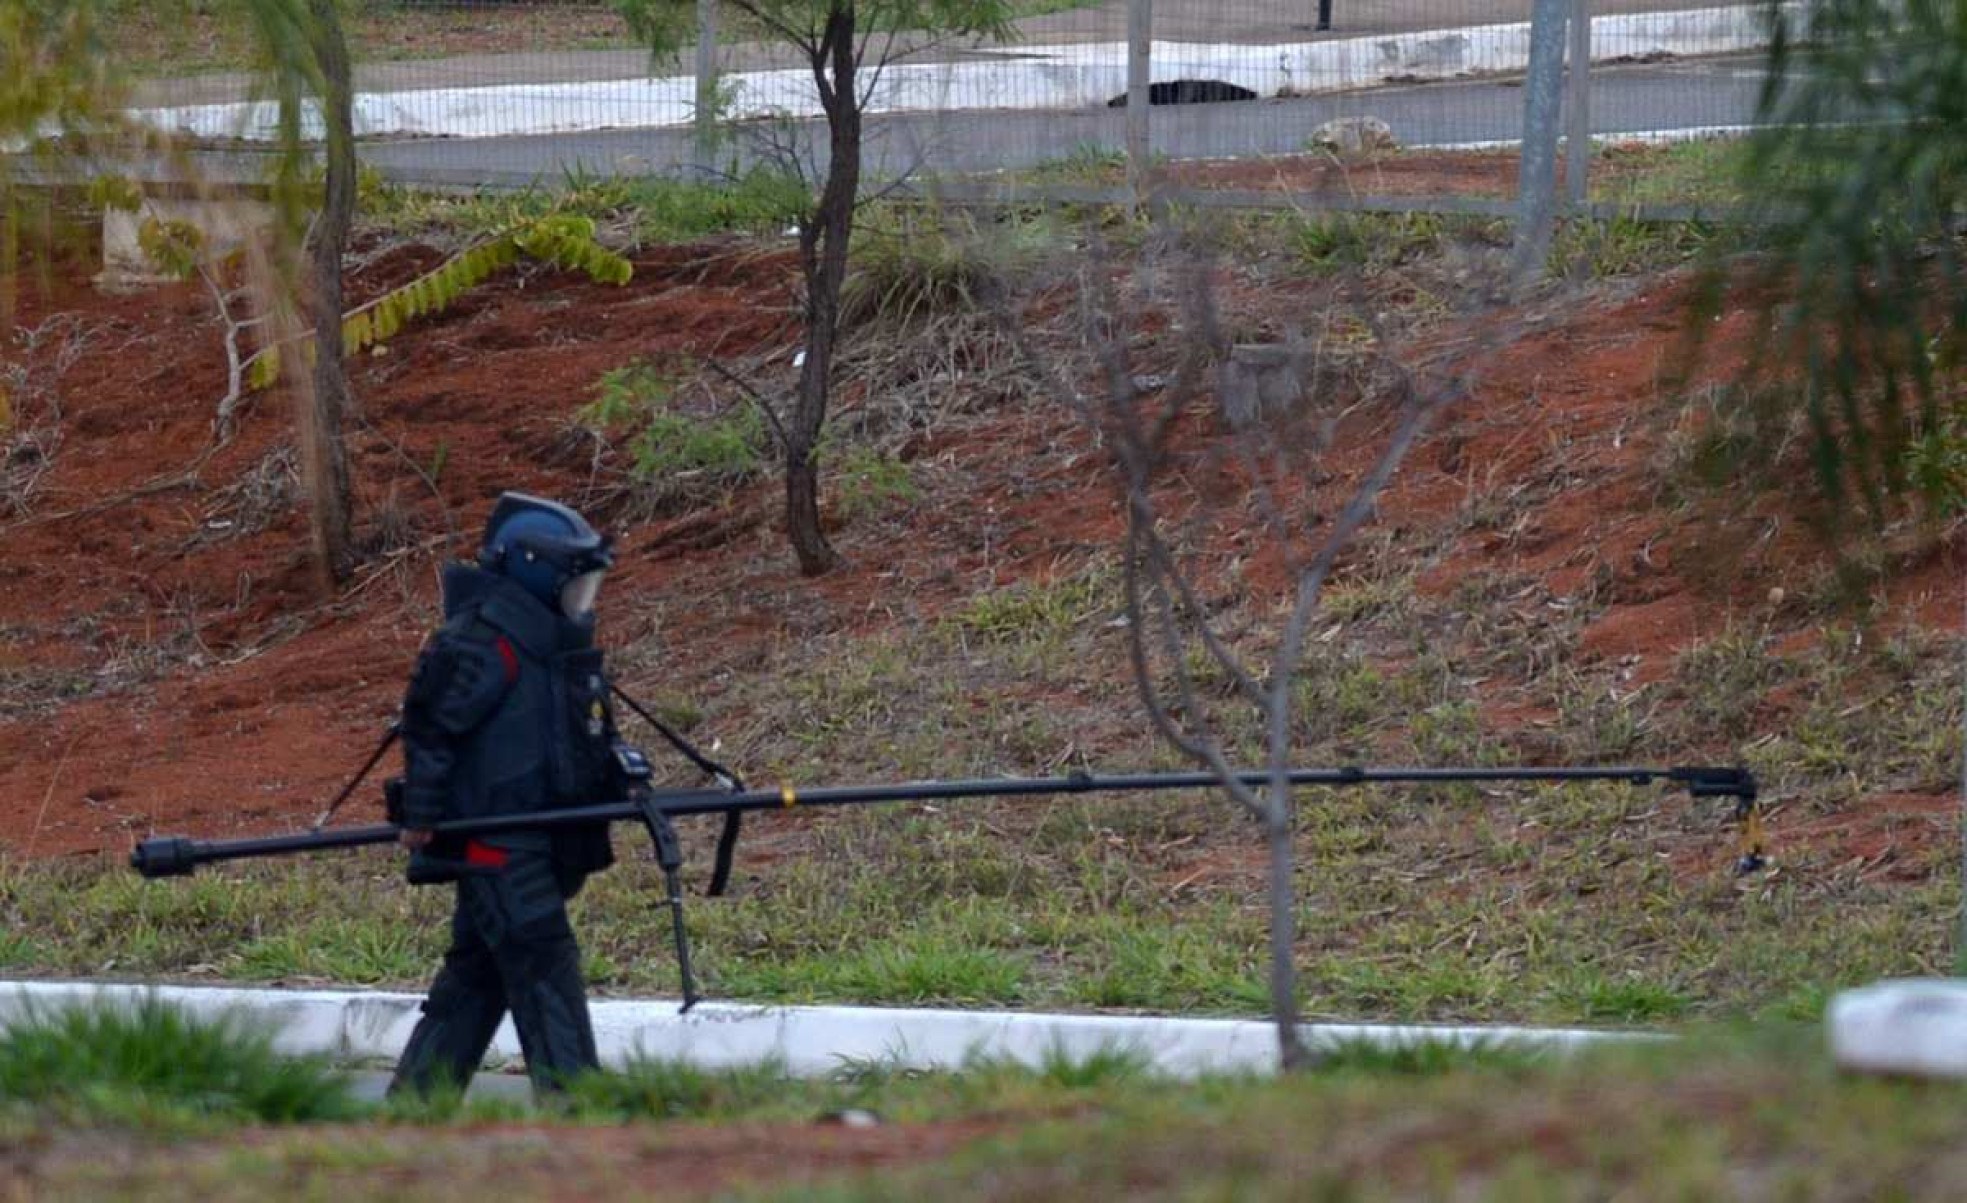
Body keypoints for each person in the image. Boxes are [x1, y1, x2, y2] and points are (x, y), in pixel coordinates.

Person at [387, 492, 633, 1098]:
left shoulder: (554, 646)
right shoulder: (481, 642)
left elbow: (580, 732)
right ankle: (578, 1114)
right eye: (577, 581)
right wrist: (422, 815)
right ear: (533, 570)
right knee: (546, 970)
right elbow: (431, 728)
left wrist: (620, 779)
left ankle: (413, 1111)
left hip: (538, 840)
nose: (585, 598)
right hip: (496, 845)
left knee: (477, 980)